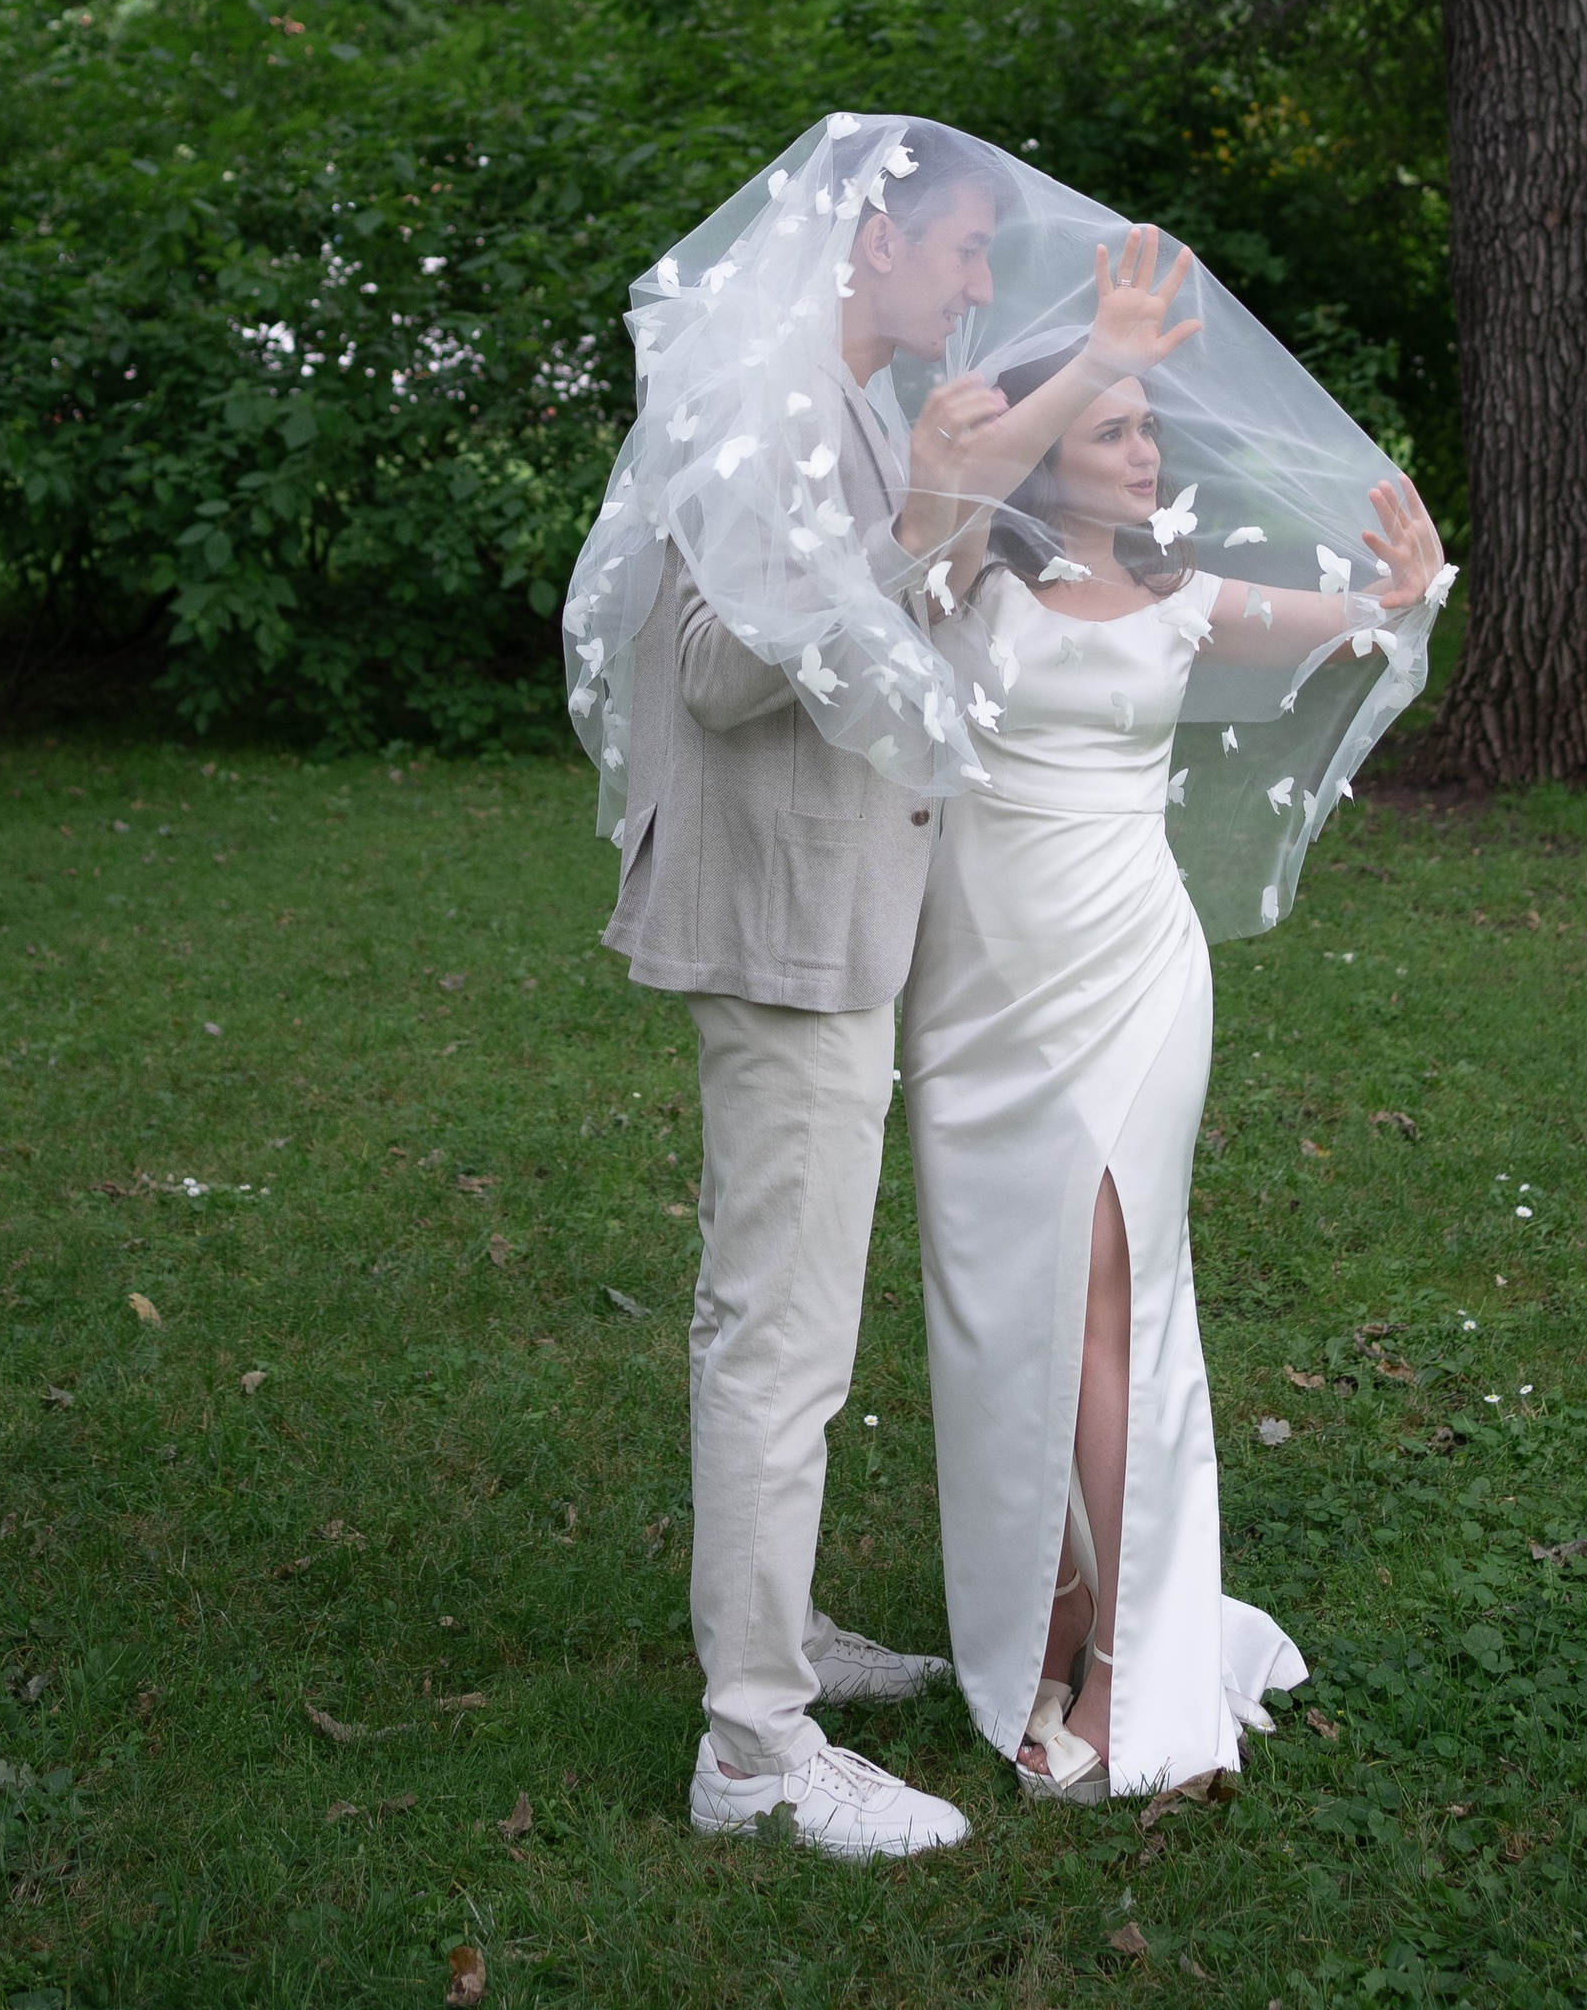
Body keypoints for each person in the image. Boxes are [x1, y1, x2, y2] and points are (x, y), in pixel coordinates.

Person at [901, 230, 1449, 1802]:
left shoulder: (1179, 596)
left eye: (1150, 426)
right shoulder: (961, 579)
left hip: (1131, 976)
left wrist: (1400, 595)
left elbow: (1350, 631)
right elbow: (925, 537)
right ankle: (1046, 1611)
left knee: (1106, 1297)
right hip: (977, 995)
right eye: (1112, 430)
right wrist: (1076, 359)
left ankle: (1134, 1654)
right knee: (997, 1304)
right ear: (1045, 454)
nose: (1147, 453)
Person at [564, 115, 1019, 1860]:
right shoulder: (764, 406)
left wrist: (951, 529)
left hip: (840, 906)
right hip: (780, 922)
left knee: (772, 1313)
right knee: (780, 1333)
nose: (980, 283)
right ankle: (752, 1748)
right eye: (966, 250)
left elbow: (891, 646)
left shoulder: (851, 400)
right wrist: (916, 525)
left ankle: (786, 1630)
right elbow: (718, 664)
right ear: (875, 241)